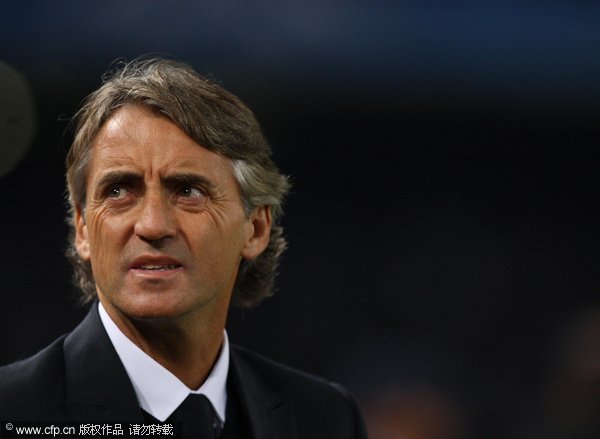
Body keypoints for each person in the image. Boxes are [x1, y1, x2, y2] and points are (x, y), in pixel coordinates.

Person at [0, 57, 367, 439]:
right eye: (119, 191)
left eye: (188, 191)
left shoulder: (326, 419)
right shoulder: (11, 413)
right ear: (82, 229)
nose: (153, 225)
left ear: (255, 228)